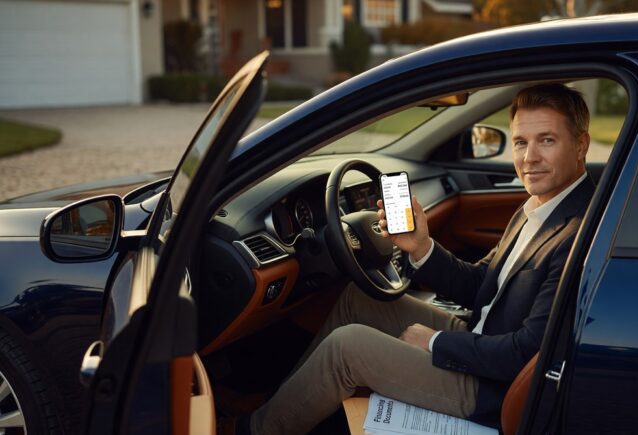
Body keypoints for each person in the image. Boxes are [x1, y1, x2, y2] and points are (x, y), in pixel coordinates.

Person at [240, 83, 596, 434]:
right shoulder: (540, 205)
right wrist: (421, 245)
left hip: (490, 386)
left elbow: (524, 353)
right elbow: (481, 285)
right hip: (481, 336)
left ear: (580, 146)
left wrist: (434, 342)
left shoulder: (576, 233)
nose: (529, 157)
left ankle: (256, 431)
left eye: (546, 140)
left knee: (345, 349)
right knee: (357, 300)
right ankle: (286, 404)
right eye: (520, 142)